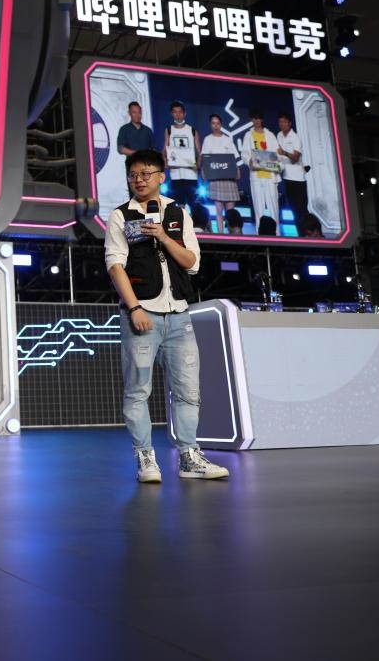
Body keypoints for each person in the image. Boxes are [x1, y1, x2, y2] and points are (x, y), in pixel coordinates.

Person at [104, 149, 229, 483]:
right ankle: (145, 458)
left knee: (188, 391)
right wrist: (134, 308)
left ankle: (189, 457)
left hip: (178, 314)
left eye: (146, 173)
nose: (139, 180)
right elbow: (115, 265)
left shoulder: (177, 213)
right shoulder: (120, 215)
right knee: (138, 391)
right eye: (133, 174)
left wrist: (162, 236)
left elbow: (192, 262)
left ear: (161, 176)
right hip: (142, 313)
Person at [200, 114, 240, 234]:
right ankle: (221, 236)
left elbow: (234, 158)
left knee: (230, 211)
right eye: (213, 123)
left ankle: (233, 237)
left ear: (221, 125)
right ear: (210, 124)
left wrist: (237, 170)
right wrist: (203, 171)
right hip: (216, 178)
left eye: (218, 123)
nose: (215, 125)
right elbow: (205, 158)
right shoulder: (207, 139)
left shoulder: (227, 139)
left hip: (229, 178)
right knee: (218, 210)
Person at [244, 109, 280, 232]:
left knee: (274, 207)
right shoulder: (248, 135)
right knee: (258, 208)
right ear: (252, 120)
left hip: (270, 176)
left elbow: (277, 154)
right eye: (255, 118)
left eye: (259, 118)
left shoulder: (270, 135)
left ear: (262, 120)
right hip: (256, 176)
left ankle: (277, 234)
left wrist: (276, 163)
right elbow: (244, 153)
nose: (257, 121)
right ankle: (260, 234)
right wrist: (249, 161)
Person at [163, 101, 201, 212]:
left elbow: (199, 151)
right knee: (180, 205)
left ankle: (195, 223)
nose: (178, 115)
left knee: (194, 205)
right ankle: (182, 223)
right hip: (176, 174)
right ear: (172, 114)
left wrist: (198, 164)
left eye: (180, 112)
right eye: (175, 112)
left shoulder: (192, 130)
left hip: (191, 174)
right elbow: (165, 148)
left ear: (184, 113)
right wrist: (164, 160)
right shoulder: (169, 130)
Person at [276, 114, 309, 229]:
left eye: (284, 122)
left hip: (298, 179)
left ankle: (308, 233)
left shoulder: (295, 137)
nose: (282, 124)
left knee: (302, 209)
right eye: (280, 121)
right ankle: (300, 234)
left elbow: (296, 158)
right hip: (287, 177)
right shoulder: (279, 135)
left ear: (290, 123)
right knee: (293, 208)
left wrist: (284, 153)